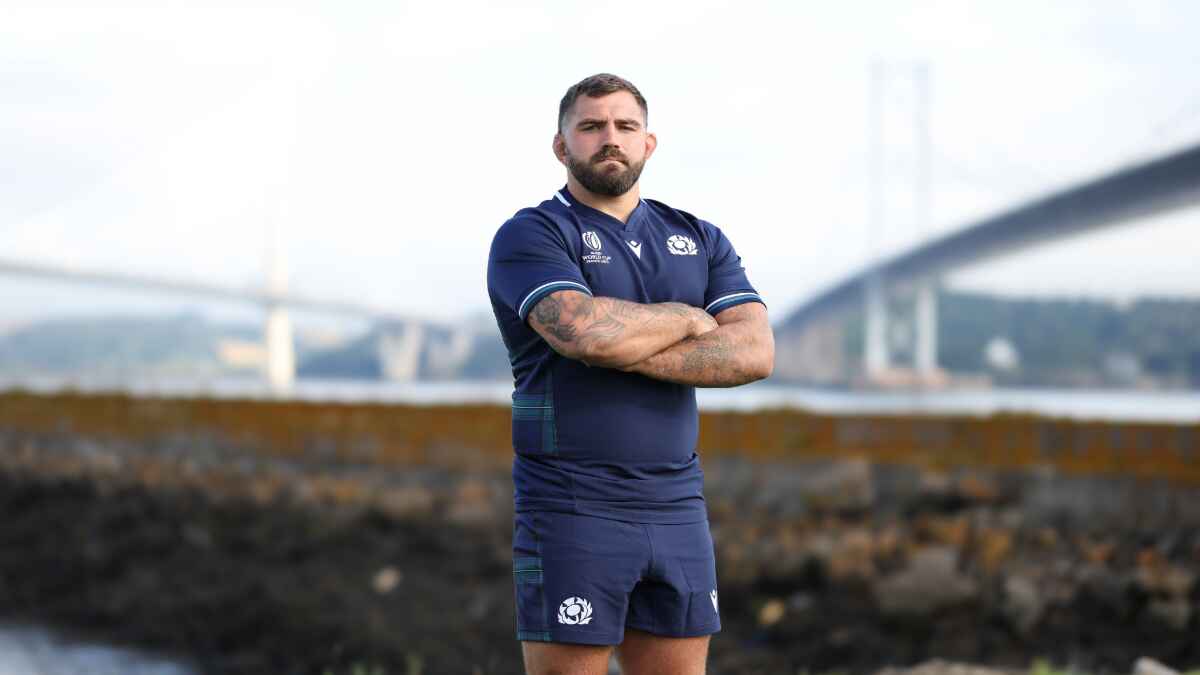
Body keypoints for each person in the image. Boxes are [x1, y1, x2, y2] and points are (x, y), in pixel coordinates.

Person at [486, 73, 774, 675]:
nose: (609, 138)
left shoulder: (699, 238)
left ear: (649, 143)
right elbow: (582, 332)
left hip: (677, 503)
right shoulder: (531, 234)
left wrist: (619, 343)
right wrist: (687, 318)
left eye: (625, 126)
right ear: (562, 147)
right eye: (590, 127)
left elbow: (753, 353)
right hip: (571, 501)